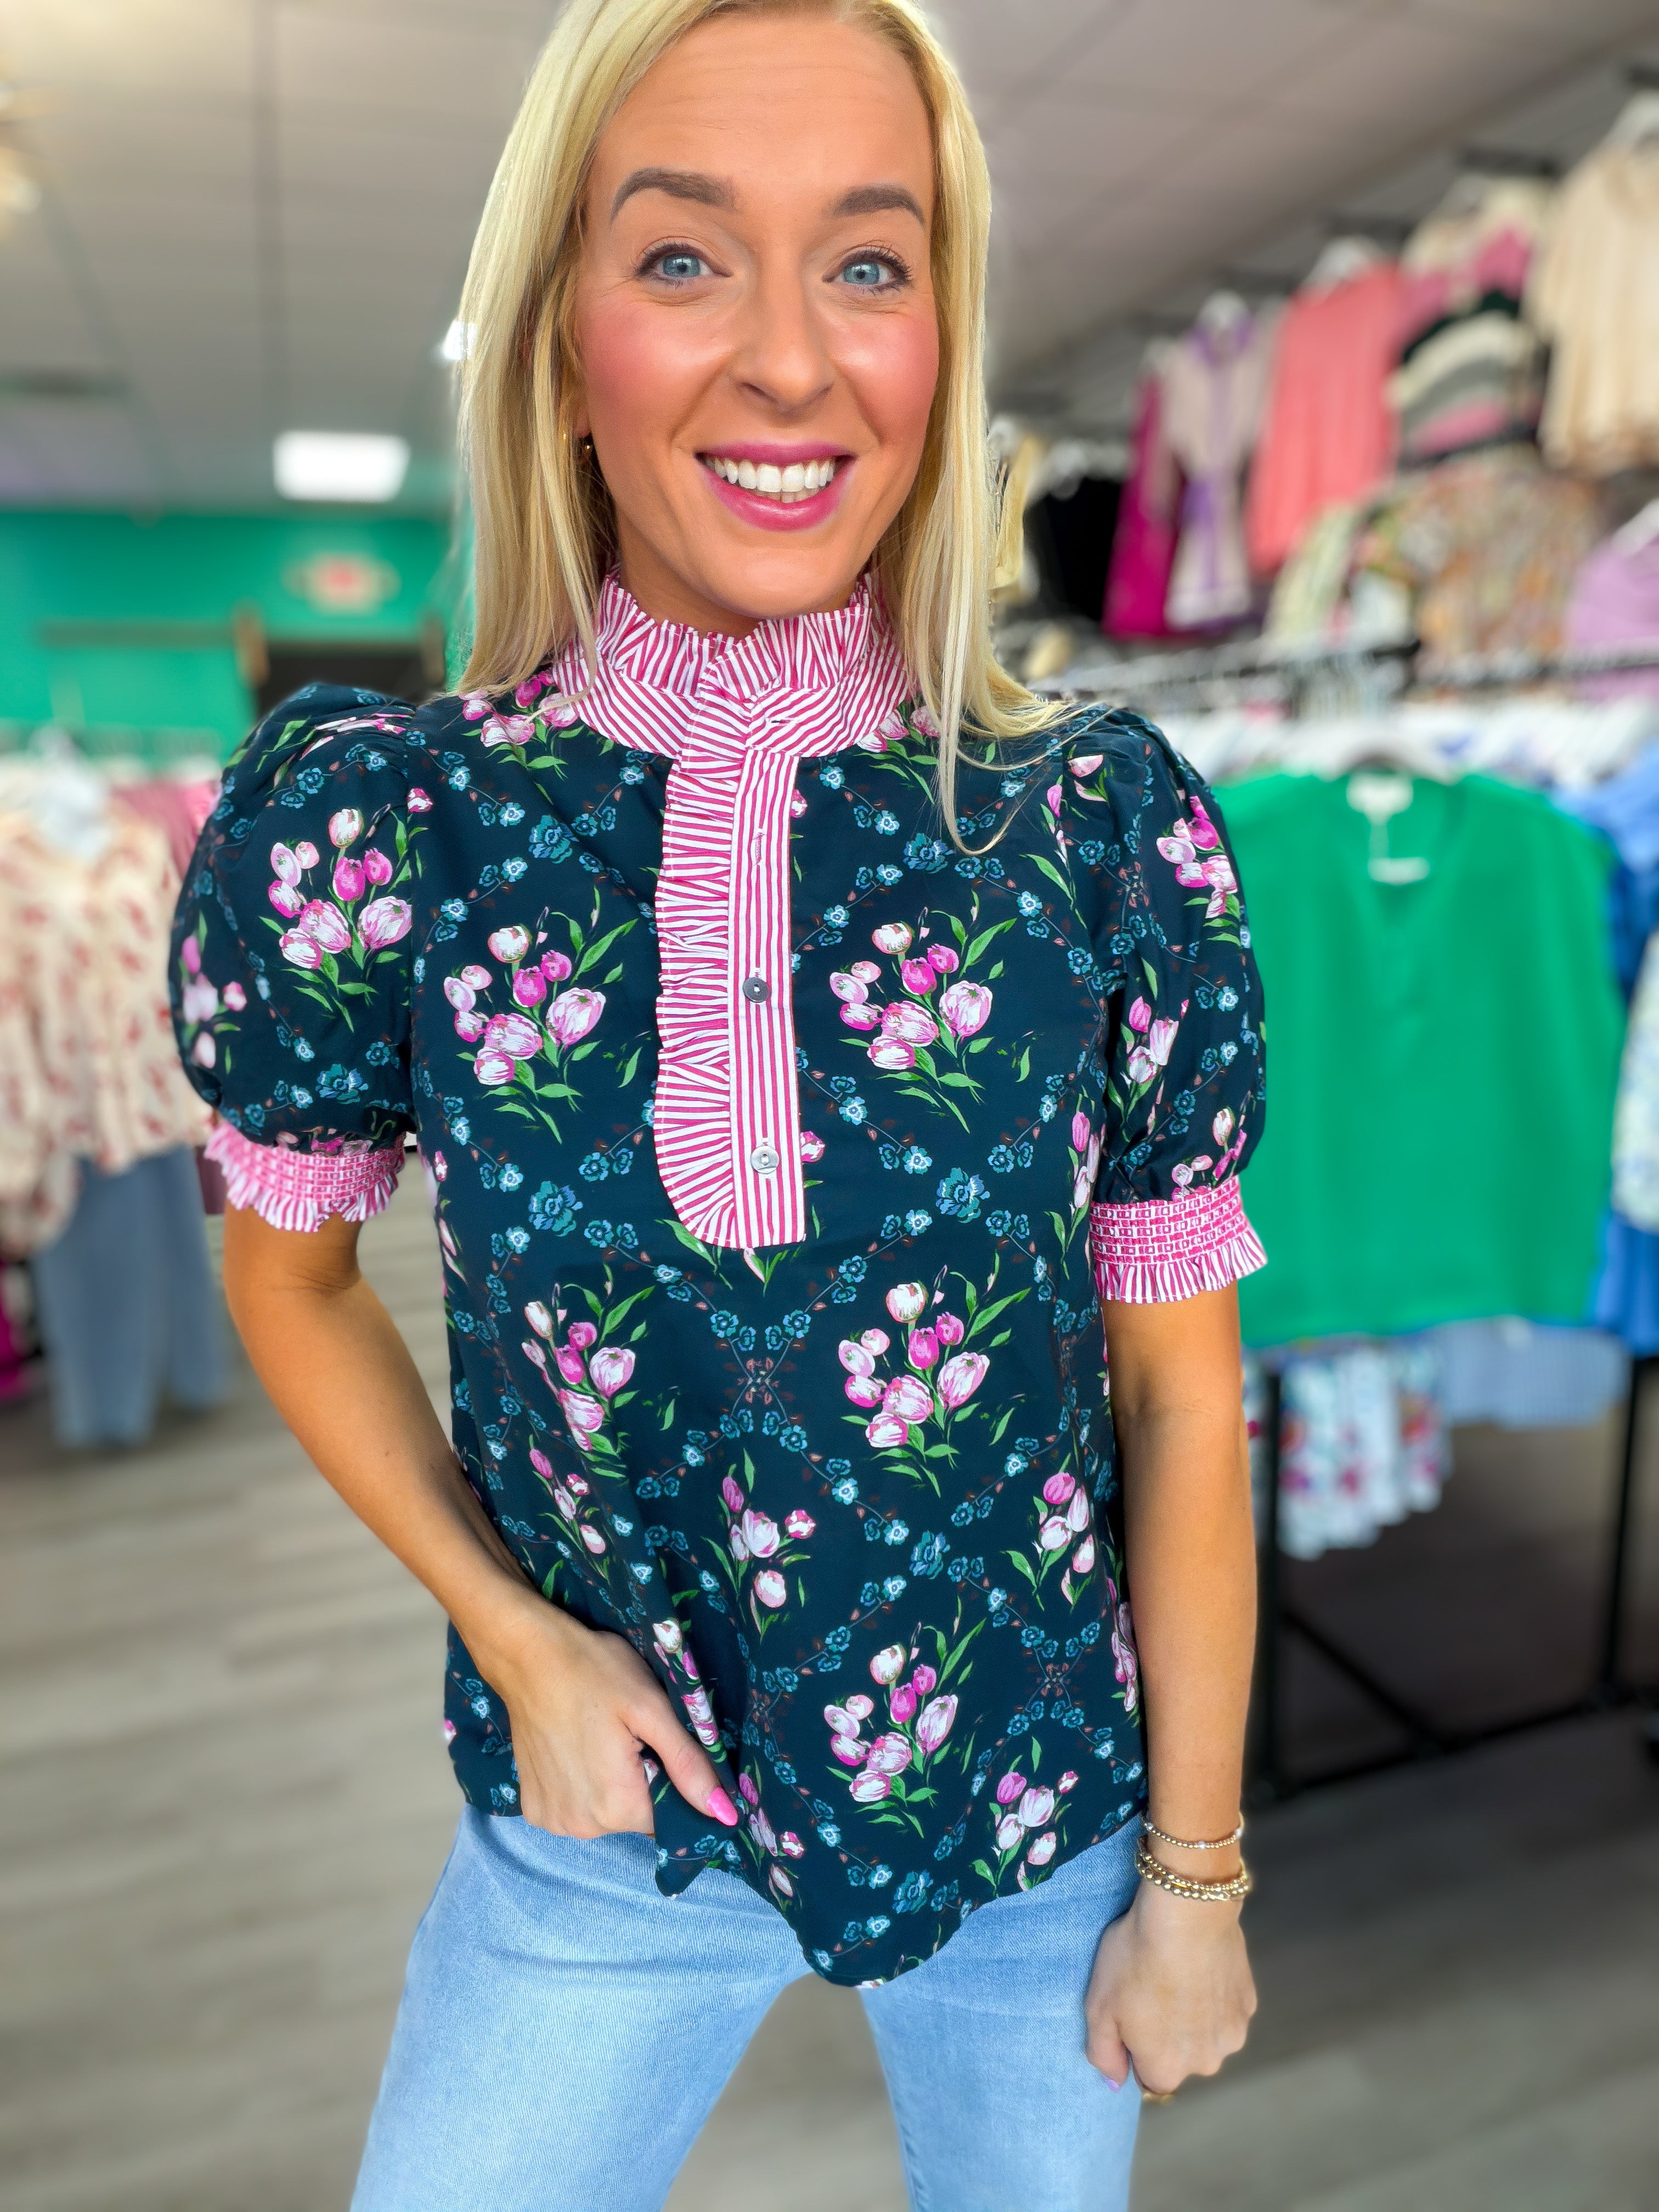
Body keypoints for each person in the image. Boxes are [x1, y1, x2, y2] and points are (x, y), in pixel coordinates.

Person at [171, 3, 1266, 2204]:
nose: (791, 359)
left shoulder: (1097, 831)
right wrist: (513, 1635)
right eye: (683, 259)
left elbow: (1178, 1401)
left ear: (943, 333)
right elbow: (290, 1288)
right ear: (562, 329)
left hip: (1037, 1822)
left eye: (869, 262)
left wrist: (1200, 1875)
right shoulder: (381, 827)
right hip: (597, 1836)